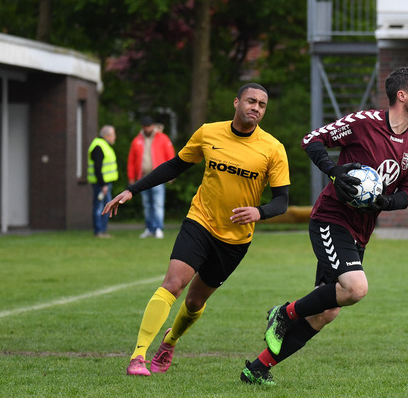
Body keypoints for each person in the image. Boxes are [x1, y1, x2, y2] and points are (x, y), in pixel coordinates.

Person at [240, 66, 408, 387]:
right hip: (331, 218)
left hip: (361, 231)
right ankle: (283, 314)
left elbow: (407, 195)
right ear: (402, 96)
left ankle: (256, 369)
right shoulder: (364, 123)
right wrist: (335, 172)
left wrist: (384, 202)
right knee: (356, 289)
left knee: (327, 311)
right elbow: (312, 141)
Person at [104, 83, 290, 376]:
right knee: (173, 284)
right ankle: (137, 356)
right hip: (200, 221)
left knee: (194, 301)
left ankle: (170, 341)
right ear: (236, 102)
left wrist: (259, 211)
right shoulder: (208, 133)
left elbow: (282, 201)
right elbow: (175, 166)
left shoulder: (272, 149)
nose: (256, 107)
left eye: (262, 105)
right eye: (251, 101)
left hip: (235, 239)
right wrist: (132, 190)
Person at [127, 115, 176, 239]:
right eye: (145, 127)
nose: (147, 129)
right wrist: (131, 177)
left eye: (149, 126)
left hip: (158, 178)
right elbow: (131, 160)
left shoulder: (163, 138)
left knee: (158, 204)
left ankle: (158, 228)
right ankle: (149, 228)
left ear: (153, 126)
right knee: (147, 204)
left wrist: (172, 174)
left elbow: (170, 156)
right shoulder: (137, 140)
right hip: (143, 177)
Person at [87, 125, 118, 238]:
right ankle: (99, 231)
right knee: (100, 207)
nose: (115, 137)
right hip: (101, 185)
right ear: (107, 135)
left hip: (105, 184)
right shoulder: (99, 147)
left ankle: (102, 231)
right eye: (113, 135)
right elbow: (97, 168)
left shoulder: (104, 145)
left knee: (105, 206)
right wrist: (103, 184)